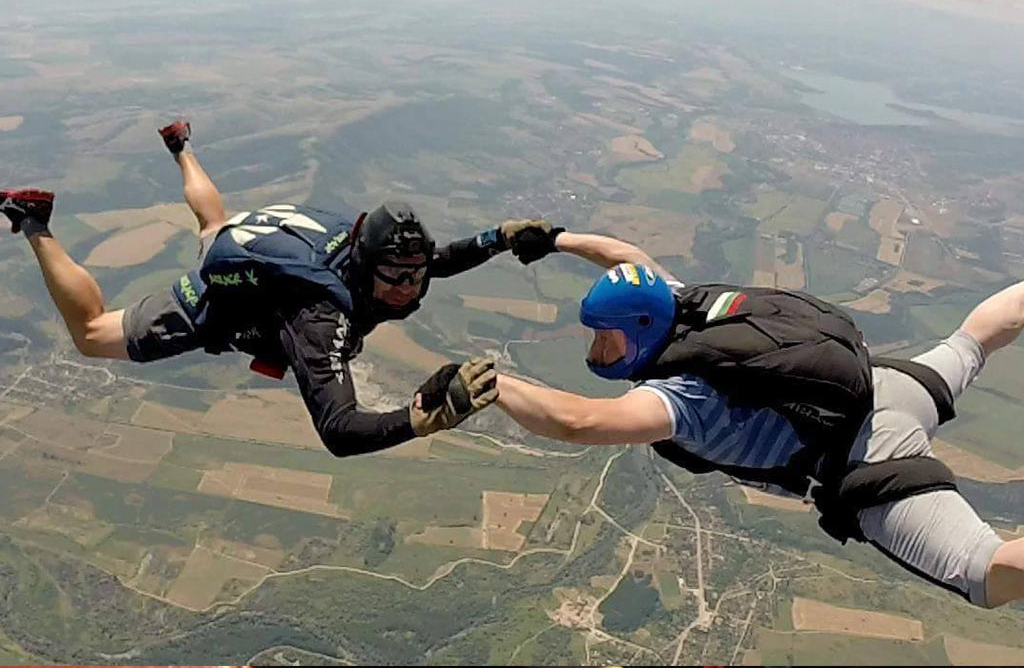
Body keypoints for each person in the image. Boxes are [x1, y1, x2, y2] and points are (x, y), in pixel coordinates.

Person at [495, 227, 1024, 609]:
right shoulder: (679, 304)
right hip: (889, 384)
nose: (597, 349)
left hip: (868, 458)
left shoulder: (682, 397)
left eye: (606, 338)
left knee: (988, 573)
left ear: (638, 331)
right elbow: (624, 257)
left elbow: (578, 422)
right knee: (972, 340)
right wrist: (559, 239)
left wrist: (488, 386)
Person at [0, 119, 558, 456]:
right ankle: (33, 221)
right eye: (396, 276)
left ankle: (181, 146)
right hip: (224, 299)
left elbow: (438, 260)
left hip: (254, 240)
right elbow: (339, 430)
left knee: (213, 226)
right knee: (93, 333)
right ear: (367, 265)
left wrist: (501, 237)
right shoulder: (319, 316)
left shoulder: (378, 255)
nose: (409, 288)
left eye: (414, 274)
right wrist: (418, 419)